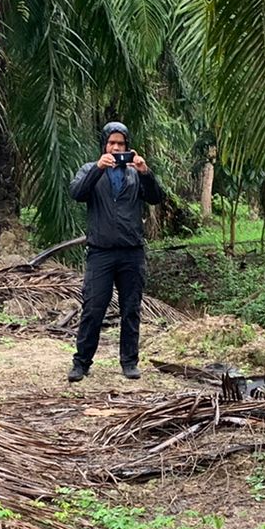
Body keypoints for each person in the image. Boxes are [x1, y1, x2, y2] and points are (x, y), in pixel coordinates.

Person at [67, 122, 164, 382]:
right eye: (112, 143)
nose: (117, 148)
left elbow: (156, 197)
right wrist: (98, 168)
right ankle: (82, 363)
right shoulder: (90, 169)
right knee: (93, 308)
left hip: (131, 252)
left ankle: (129, 362)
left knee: (131, 309)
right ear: (104, 145)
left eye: (121, 144)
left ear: (128, 146)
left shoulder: (135, 173)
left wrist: (146, 173)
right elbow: (77, 192)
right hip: (101, 252)